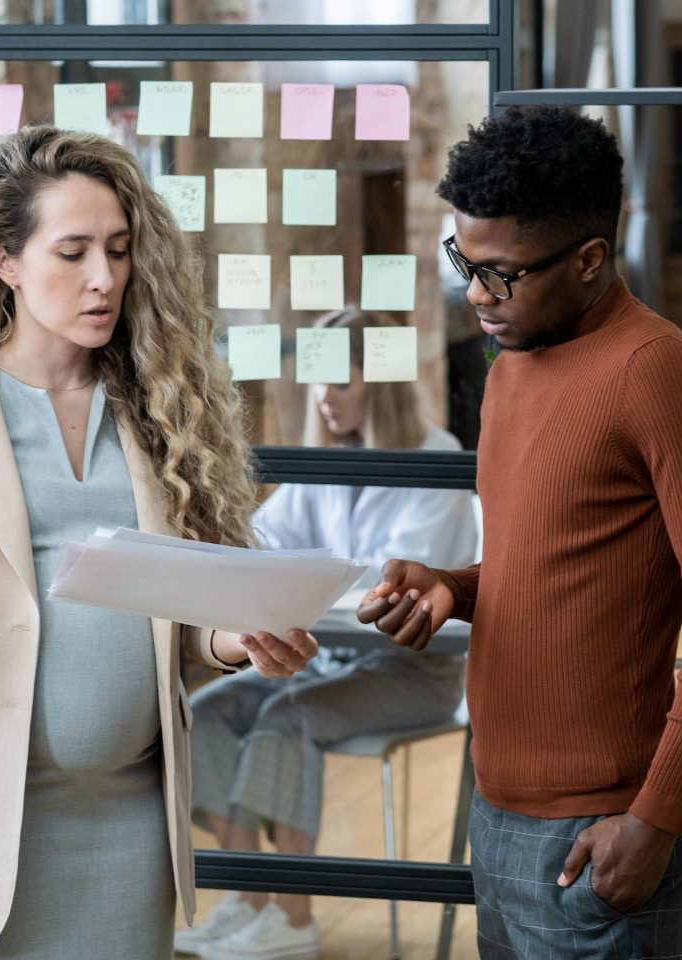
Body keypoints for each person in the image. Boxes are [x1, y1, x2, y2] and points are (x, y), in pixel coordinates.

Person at [0, 125, 319, 959]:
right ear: (4, 262)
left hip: (127, 833)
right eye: (73, 252)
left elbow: (185, 616)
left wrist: (238, 640)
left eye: (120, 251)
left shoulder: (166, 409)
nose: (105, 279)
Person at [357, 105, 682, 959]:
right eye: (464, 265)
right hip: (499, 805)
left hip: (603, 826)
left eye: (500, 273)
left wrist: (655, 817)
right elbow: (551, 559)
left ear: (588, 261)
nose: (477, 294)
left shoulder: (655, 372)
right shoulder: (512, 363)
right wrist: (455, 588)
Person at [175, 307, 478, 960]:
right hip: (328, 661)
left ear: (381, 382)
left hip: (409, 674)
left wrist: (306, 582)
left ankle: (294, 917)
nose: (324, 397)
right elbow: (273, 543)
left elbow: (394, 586)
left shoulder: (436, 460)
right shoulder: (325, 460)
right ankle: (250, 898)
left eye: (340, 381)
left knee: (288, 716)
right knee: (203, 713)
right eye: (316, 382)